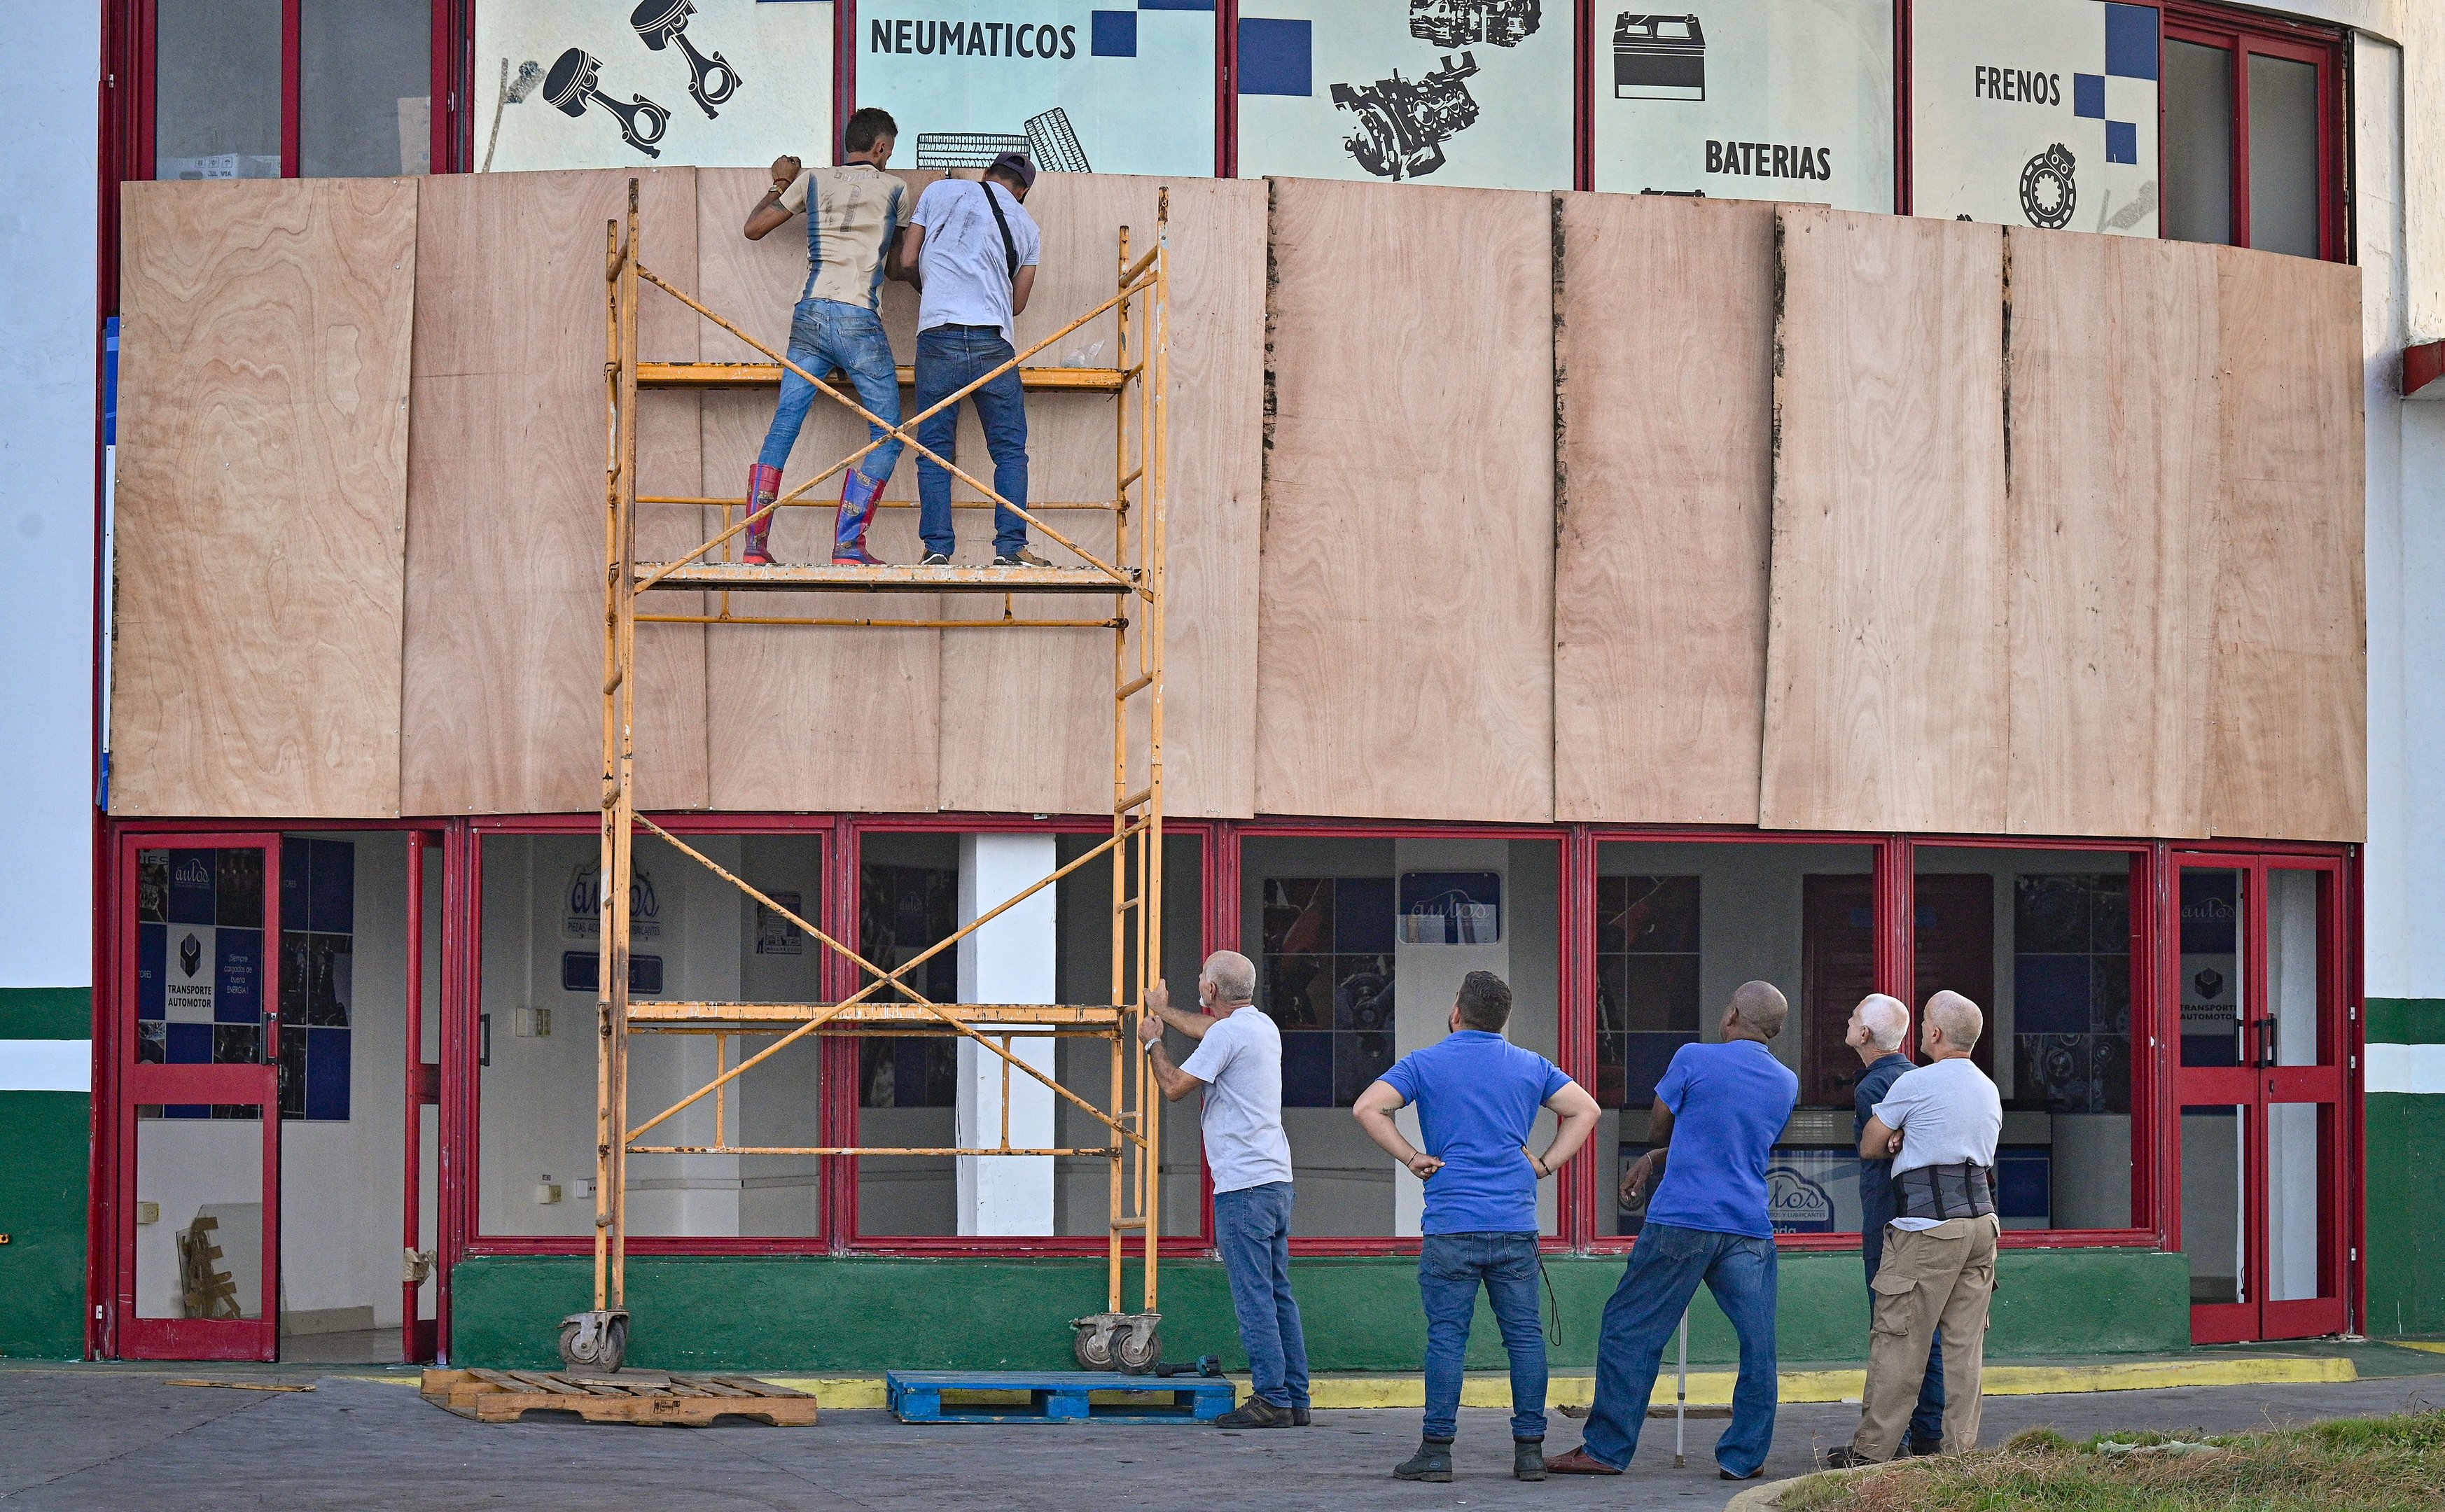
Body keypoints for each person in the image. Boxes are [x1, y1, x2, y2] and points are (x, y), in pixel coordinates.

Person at [1352, 970, 1602, 1484]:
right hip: (1515, 1225)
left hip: (1451, 1226)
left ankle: (1437, 1452)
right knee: (1526, 1339)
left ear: (1456, 1011)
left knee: (1447, 1338)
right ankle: (1530, 1454)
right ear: (1502, 1019)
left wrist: (1412, 1157)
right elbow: (1586, 1110)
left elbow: (1368, 1107)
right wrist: (1545, 1165)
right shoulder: (1530, 1065)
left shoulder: (1424, 1063)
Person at [1548, 981, 1799, 1483]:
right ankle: (1743, 1457)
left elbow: (1663, 1126)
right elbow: (1730, 1140)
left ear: (1730, 1015)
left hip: (1683, 1219)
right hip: (1747, 1226)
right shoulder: (1785, 1081)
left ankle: (1606, 1448)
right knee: (1758, 1344)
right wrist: (1656, 1159)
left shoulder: (1693, 1057)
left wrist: (1652, 1148)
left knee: (1631, 1328)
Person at [1823, 990, 2004, 1466]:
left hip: (1927, 1229)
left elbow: (1870, 1145)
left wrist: (1898, 1139)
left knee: (1898, 1341)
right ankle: (1955, 1453)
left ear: (1937, 1034)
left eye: (1925, 1022)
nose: (1920, 1030)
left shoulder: (1916, 1083)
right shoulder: (1986, 1088)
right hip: (1982, 1226)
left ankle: (1873, 1453)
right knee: (1964, 1348)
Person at [1138, 951, 1311, 1428]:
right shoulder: (1260, 1027)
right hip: (1276, 1181)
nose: (1199, 984)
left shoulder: (1230, 1034)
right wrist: (1167, 1011)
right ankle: (1295, 1399)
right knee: (1278, 1294)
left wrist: (1154, 1042)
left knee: (1254, 1297)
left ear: (1212, 991)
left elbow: (1174, 1086)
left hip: (1243, 1189)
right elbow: (1209, 1032)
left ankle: (1271, 1400)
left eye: (1201, 981)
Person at [739, 106, 909, 567]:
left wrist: (779, 181)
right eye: (889, 152)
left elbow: (754, 228)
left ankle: (755, 546)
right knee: (888, 436)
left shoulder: (811, 181)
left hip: (809, 317)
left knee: (784, 426)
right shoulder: (896, 190)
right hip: (858, 320)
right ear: (879, 148)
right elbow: (896, 267)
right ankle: (849, 546)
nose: (888, 160)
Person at [893, 150, 1045, 567]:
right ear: (1022, 191)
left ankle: (937, 548)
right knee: (1010, 450)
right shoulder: (1027, 226)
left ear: (987, 173)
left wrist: (943, 289)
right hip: (992, 343)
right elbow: (1016, 305)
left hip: (938, 336)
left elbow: (906, 260)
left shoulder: (939, 192)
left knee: (935, 448)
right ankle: (1011, 549)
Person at [1844, 993, 1945, 1457]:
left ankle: (1893, 1440)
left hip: (1889, 1220)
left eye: (1853, 1019)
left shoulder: (1873, 1088)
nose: (1847, 1022)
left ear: (1864, 1034)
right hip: (1929, 1216)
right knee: (1929, 1329)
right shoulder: (1921, 1078)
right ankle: (1928, 1435)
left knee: (1891, 1331)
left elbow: (1884, 1149)